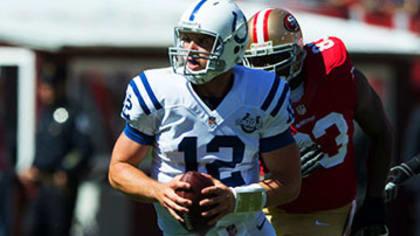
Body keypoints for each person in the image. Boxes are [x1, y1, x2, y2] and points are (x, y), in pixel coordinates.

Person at [107, 1, 302, 235]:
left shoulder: (262, 92)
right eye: (186, 38)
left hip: (247, 230)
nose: (190, 49)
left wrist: (236, 199)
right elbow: (118, 169)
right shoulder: (157, 91)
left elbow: (289, 183)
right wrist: (158, 190)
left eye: (204, 41)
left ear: (234, 47)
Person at [242, 8, 393, 236]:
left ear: (298, 54)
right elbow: (232, 166)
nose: (268, 70)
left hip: (330, 210)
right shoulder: (243, 94)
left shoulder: (334, 73)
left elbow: (380, 131)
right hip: (268, 208)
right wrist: (283, 176)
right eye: (259, 61)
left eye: (276, 59)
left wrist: (374, 199)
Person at [17, 68, 93, 236]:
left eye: (49, 88)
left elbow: (83, 149)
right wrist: (32, 167)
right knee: (32, 228)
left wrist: (66, 169)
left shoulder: (73, 113)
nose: (44, 92)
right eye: (43, 88)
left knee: (57, 230)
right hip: (40, 186)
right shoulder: (45, 113)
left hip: (60, 187)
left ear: (59, 87)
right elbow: (45, 149)